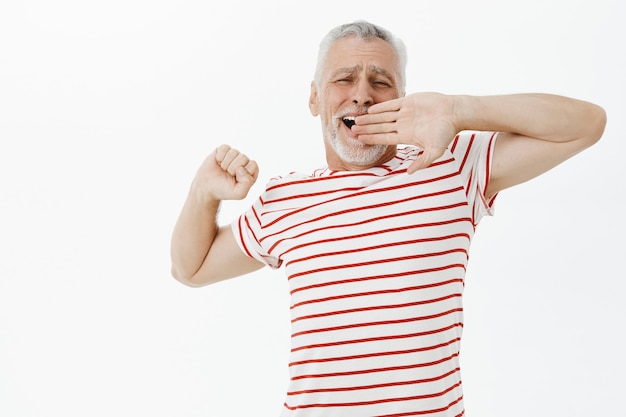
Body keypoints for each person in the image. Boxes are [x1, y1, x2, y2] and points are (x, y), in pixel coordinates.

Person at [170, 20, 606, 417]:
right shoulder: (285, 198)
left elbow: (586, 124)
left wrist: (457, 110)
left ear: (401, 98)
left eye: (381, 82)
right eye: (344, 78)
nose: (362, 94)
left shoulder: (450, 163)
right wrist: (203, 193)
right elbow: (190, 269)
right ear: (314, 98)